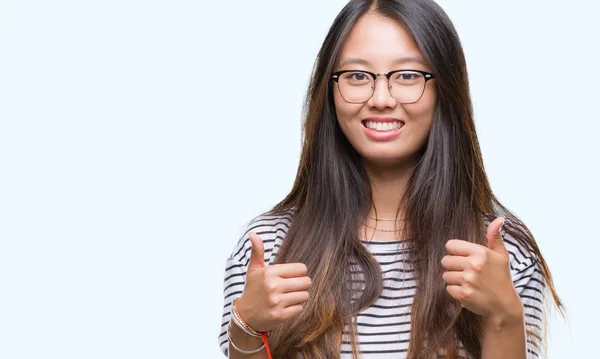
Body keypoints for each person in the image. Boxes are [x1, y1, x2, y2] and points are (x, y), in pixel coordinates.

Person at [218, 0, 563, 358]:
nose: (381, 99)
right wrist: (246, 326)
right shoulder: (268, 248)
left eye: (408, 75)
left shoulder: (500, 256)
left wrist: (503, 316)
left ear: (445, 88)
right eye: (357, 76)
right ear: (330, 89)